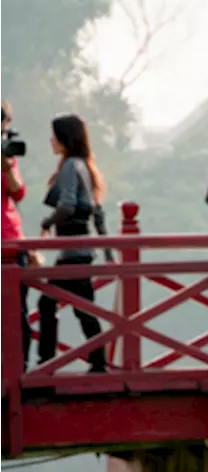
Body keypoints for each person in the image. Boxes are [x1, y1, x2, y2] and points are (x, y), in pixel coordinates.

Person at [38, 114, 110, 373]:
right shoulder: (85, 166)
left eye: (54, 136)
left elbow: (67, 205)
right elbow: (98, 212)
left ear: (64, 139)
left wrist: (47, 222)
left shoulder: (70, 166)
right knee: (83, 307)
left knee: (51, 303)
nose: (51, 141)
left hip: (72, 249)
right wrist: (109, 251)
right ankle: (97, 361)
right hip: (83, 248)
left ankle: (46, 362)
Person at [0, 101, 29, 367]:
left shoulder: (5, 153)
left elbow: (17, 192)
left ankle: (19, 368)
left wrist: (6, 166)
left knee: (15, 310)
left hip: (8, 239)